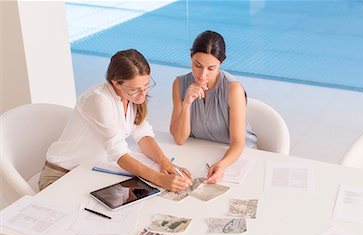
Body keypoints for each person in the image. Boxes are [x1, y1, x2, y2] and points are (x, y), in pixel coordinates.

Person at [38, 49, 192, 192]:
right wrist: (159, 179)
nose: (142, 94)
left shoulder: (132, 98)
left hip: (90, 172)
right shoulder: (98, 99)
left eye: (146, 85)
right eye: (135, 89)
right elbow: (118, 152)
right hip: (61, 176)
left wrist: (164, 162)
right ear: (116, 83)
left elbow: (143, 133)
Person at [170, 30, 257, 183]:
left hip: (235, 156)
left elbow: (238, 143)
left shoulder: (233, 89)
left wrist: (221, 165)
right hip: (202, 153)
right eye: (197, 65)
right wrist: (187, 103)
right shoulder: (179, 84)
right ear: (191, 56)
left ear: (220, 64)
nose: (202, 75)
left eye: (211, 68)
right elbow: (179, 138)